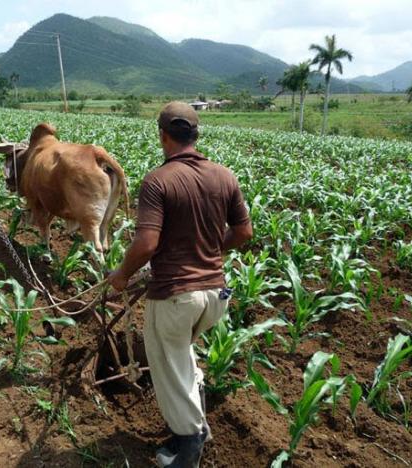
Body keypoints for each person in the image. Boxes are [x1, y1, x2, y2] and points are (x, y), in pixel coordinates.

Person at [108, 101, 253, 467]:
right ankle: (194, 418)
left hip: (176, 296)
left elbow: (146, 244)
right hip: (215, 295)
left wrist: (122, 274)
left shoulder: (159, 181)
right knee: (182, 355)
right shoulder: (225, 176)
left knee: (166, 365)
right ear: (196, 135)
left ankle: (189, 446)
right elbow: (244, 232)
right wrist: (207, 249)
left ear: (162, 136)